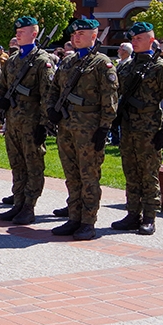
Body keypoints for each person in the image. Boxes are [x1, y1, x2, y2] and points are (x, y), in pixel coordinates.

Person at [46, 19, 118, 240]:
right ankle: (74, 217)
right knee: (72, 175)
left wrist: (104, 128)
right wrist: (52, 109)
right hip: (67, 126)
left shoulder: (101, 64)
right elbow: (54, 89)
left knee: (89, 176)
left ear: (94, 36)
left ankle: (88, 221)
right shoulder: (68, 63)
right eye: (74, 34)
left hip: (89, 128)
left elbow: (110, 100)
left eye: (81, 34)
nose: (75, 37)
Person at [111, 22, 163, 235]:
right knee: (130, 172)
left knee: (148, 174)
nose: (134, 41)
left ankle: (149, 217)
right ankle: (133, 213)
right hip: (128, 127)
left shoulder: (160, 67)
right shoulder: (127, 66)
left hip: (149, 129)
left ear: (151, 40)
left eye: (139, 38)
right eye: (133, 38)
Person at [0, 16, 55, 224]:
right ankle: (18, 202)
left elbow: (48, 95)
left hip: (32, 123)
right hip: (13, 121)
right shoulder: (12, 60)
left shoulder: (42, 61)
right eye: (17, 31)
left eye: (23, 31)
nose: (18, 33)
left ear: (34, 34)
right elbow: (1, 85)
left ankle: (29, 206)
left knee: (33, 165)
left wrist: (43, 124)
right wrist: (0, 101)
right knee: (17, 164)